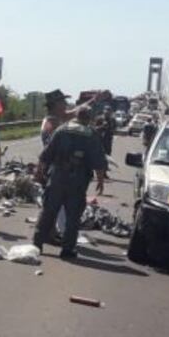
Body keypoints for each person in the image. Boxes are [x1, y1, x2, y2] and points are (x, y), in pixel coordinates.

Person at [34, 107, 107, 259]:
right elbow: (99, 161)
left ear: (76, 115)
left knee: (48, 211)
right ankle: (67, 250)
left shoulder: (62, 130)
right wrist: (100, 180)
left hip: (57, 178)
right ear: (89, 118)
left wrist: (39, 171)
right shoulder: (91, 134)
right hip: (78, 182)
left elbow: (46, 154)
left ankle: (37, 244)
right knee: (73, 216)